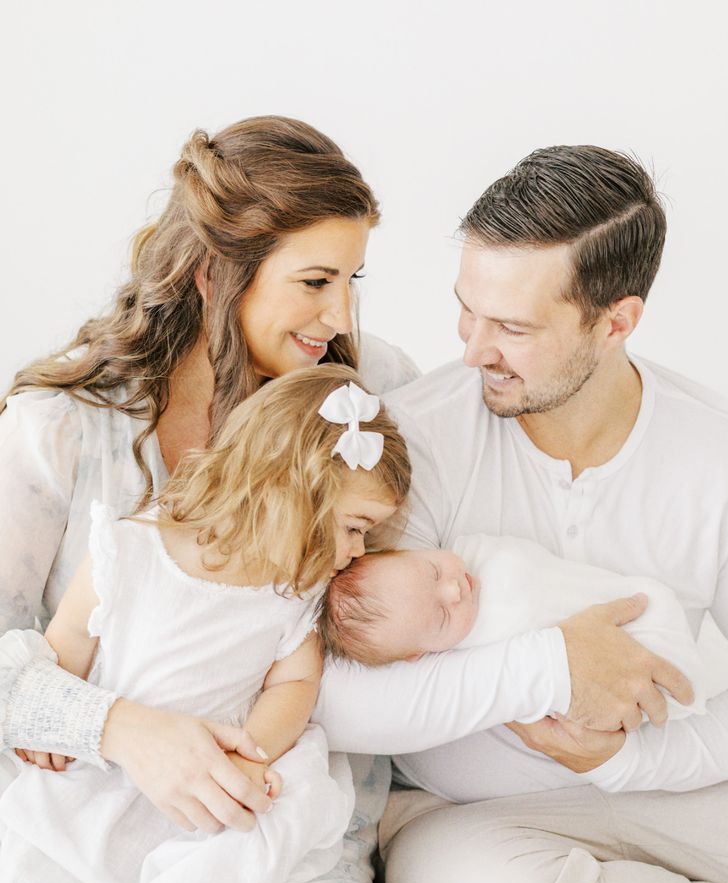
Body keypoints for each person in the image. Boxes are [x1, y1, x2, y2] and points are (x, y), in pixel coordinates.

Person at [312, 145, 728, 883]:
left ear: (616, 323)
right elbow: (337, 696)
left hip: (681, 785)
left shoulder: (715, 456)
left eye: (512, 328)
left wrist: (615, 764)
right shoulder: (415, 441)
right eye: (467, 313)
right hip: (474, 818)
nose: (472, 352)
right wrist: (550, 670)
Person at [0, 114, 418, 829]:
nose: (340, 312)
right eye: (315, 280)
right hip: (80, 811)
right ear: (214, 273)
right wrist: (122, 729)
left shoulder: (360, 393)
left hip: (270, 812)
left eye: (351, 279)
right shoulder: (62, 429)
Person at [0, 366, 410, 883]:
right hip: (110, 771)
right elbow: (66, 641)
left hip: (217, 783)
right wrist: (57, 720)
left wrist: (252, 754)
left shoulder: (294, 591)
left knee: (279, 808)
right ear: (287, 488)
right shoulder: (131, 548)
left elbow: (295, 683)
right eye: (353, 528)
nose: (356, 553)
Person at [321, 534, 728, 785]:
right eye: (442, 616)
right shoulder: (472, 651)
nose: (454, 590)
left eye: (433, 571)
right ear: (420, 655)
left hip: (641, 611)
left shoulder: (468, 549)